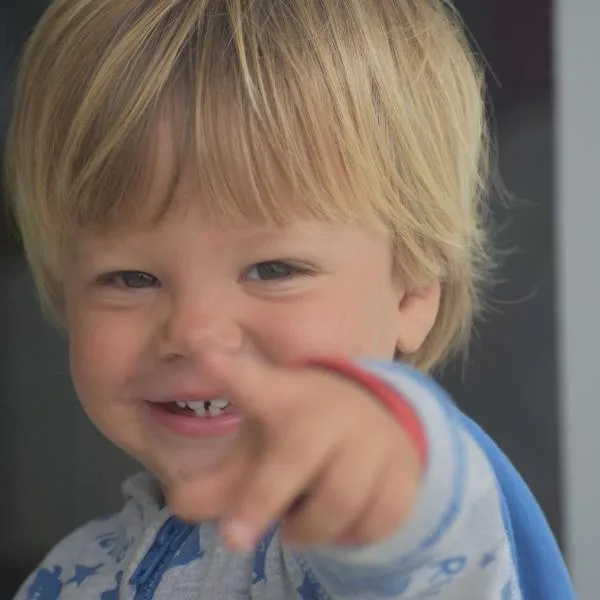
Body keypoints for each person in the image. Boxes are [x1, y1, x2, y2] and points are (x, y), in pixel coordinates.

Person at [5, 0, 575, 598]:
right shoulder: (70, 574)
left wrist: (383, 447)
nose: (194, 330)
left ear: (412, 291)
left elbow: (417, 509)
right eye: (130, 278)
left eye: (272, 269)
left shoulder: (378, 524)